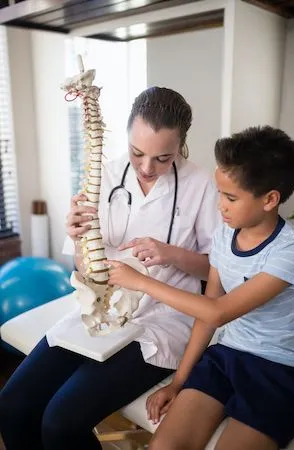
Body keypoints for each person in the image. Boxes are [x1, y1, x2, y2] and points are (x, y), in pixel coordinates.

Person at [0, 87, 219, 450]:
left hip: (164, 320)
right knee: (13, 405)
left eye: (163, 158)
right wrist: (79, 240)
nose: (147, 168)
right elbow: (85, 269)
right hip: (101, 312)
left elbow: (216, 272)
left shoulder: (201, 185)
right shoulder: (105, 175)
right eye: (137, 153)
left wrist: (170, 254)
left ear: (182, 144)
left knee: (61, 422)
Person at [107, 126, 294, 450]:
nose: (219, 205)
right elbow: (208, 314)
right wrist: (178, 384)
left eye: (231, 197)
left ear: (269, 199)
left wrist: (141, 282)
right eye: (219, 193)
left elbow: (218, 311)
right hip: (226, 357)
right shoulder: (225, 236)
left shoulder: (290, 252)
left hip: (279, 371)